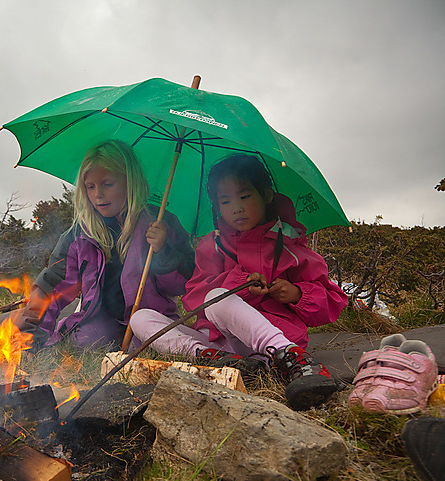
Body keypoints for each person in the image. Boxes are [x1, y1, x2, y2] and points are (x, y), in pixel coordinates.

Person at [130, 153, 347, 410]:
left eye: (245, 197)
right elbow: (193, 298)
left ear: (266, 194)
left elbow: (333, 300)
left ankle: (293, 358)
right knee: (141, 318)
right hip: (219, 344)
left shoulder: (289, 245)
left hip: (269, 346)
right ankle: (213, 360)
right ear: (216, 206)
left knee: (216, 297)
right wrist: (239, 283)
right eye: (225, 201)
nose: (236, 208)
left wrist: (297, 294)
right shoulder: (211, 245)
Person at [16, 139, 195, 350]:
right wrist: (30, 337)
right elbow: (52, 287)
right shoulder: (78, 235)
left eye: (108, 184)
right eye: (90, 187)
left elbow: (185, 284)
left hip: (151, 323)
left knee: (146, 342)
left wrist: (163, 251)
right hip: (97, 326)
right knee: (89, 340)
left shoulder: (160, 222)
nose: (98, 194)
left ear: (130, 182)